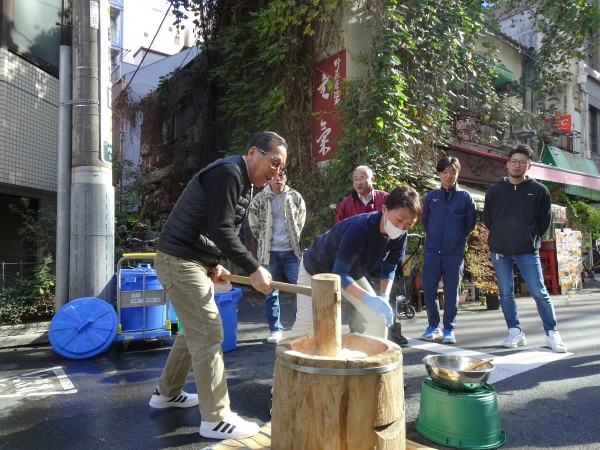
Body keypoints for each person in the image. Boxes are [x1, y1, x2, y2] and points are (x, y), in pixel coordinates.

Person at [149, 131, 288, 440]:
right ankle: (216, 418)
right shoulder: (229, 172)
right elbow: (221, 228)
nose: (276, 172)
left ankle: (167, 393)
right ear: (253, 152)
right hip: (178, 259)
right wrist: (254, 268)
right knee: (210, 331)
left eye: (281, 168)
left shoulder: (244, 181)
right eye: (274, 162)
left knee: (193, 331)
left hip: (189, 259)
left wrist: (213, 262)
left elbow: (209, 225)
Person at [289, 186, 421, 339]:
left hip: (349, 272)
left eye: (408, 224)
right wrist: (367, 298)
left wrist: (383, 297)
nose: (401, 227)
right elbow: (339, 272)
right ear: (384, 210)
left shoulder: (401, 235)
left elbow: (389, 267)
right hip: (315, 269)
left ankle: (371, 361)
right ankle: (285, 360)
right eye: (399, 220)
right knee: (306, 327)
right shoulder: (360, 228)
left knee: (378, 317)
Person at [484, 144, 567, 353]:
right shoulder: (495, 190)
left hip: (528, 250)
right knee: (506, 293)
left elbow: (543, 222)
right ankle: (515, 332)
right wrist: (501, 239)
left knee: (539, 292)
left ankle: (552, 333)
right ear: (507, 164)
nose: (517, 165)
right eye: (513, 161)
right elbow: (488, 220)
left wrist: (530, 240)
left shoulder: (539, 191)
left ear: (528, 166)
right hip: (500, 250)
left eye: (522, 162)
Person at [420, 157, 477, 344]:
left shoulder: (465, 197)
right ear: (438, 174)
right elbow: (425, 220)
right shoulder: (431, 196)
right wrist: (434, 236)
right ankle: (433, 326)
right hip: (432, 251)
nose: (448, 175)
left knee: (452, 292)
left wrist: (458, 237)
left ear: (457, 173)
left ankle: (449, 329)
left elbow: (470, 223)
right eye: (444, 172)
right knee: (429, 290)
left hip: (454, 253)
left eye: (452, 171)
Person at [248, 170, 306, 344]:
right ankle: (275, 329)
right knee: (270, 291)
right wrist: (264, 239)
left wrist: (294, 236)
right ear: (269, 178)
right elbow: (253, 223)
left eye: (281, 176)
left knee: (301, 290)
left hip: (291, 251)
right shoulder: (259, 198)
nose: (277, 179)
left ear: (286, 178)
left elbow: (301, 219)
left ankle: (299, 327)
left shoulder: (295, 196)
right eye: (274, 176)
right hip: (269, 252)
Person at [335, 165, 389, 332]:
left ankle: (392, 330)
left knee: (385, 292)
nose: (358, 182)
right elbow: (338, 228)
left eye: (363, 178)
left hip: (379, 253)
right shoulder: (346, 203)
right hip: (355, 256)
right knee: (354, 292)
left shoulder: (385, 199)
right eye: (355, 179)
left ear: (372, 180)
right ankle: (356, 331)